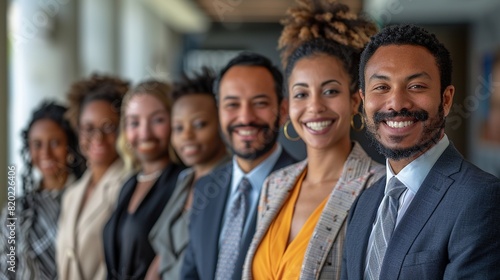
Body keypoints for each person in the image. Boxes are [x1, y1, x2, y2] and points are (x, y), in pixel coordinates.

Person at [341, 24, 500, 280]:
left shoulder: (481, 199)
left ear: (446, 100)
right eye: (381, 87)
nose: (396, 103)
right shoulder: (364, 202)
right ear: (363, 100)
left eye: (416, 86)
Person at [242, 1, 382, 279]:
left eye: (330, 91)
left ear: (355, 101)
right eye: (301, 94)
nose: (315, 107)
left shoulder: (378, 188)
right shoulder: (275, 184)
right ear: (288, 107)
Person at [181, 52, 297, 280]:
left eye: (260, 103)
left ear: (283, 111)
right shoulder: (205, 187)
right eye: (232, 104)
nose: (245, 117)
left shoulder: (304, 186)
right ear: (219, 112)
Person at [146, 68, 230, 280]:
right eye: (178, 128)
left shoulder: (233, 182)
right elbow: (164, 255)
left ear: (222, 123)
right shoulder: (184, 180)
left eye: (199, 124)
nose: (187, 136)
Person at [103, 80, 184, 280]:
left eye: (157, 120)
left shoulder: (184, 181)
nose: (145, 133)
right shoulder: (129, 184)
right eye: (134, 122)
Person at [56, 74, 131, 280]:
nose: (97, 137)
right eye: (88, 128)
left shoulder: (129, 185)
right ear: (78, 131)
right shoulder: (72, 194)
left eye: (109, 127)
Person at [0, 102, 84, 280]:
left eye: (55, 143)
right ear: (28, 149)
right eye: (37, 144)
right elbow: (6, 267)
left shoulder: (85, 200)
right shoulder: (16, 209)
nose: (46, 153)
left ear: (70, 145)